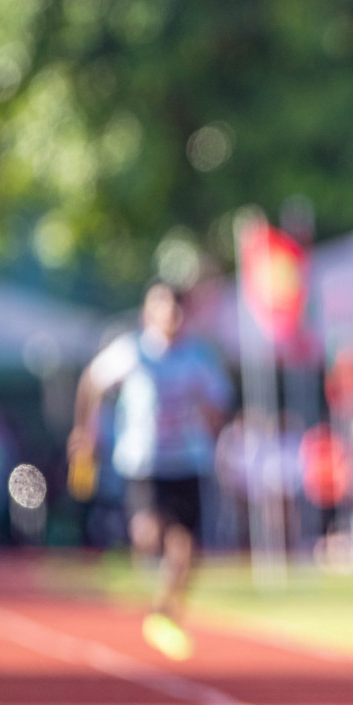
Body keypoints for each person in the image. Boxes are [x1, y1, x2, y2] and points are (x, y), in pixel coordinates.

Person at [69, 281, 232, 660]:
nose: (171, 316)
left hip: (187, 460)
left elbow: (218, 401)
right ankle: (159, 597)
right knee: (148, 534)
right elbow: (91, 382)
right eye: (163, 307)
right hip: (142, 461)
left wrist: (213, 425)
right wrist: (84, 429)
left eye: (177, 308)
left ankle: (164, 612)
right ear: (148, 312)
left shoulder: (197, 356)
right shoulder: (132, 351)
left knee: (186, 549)